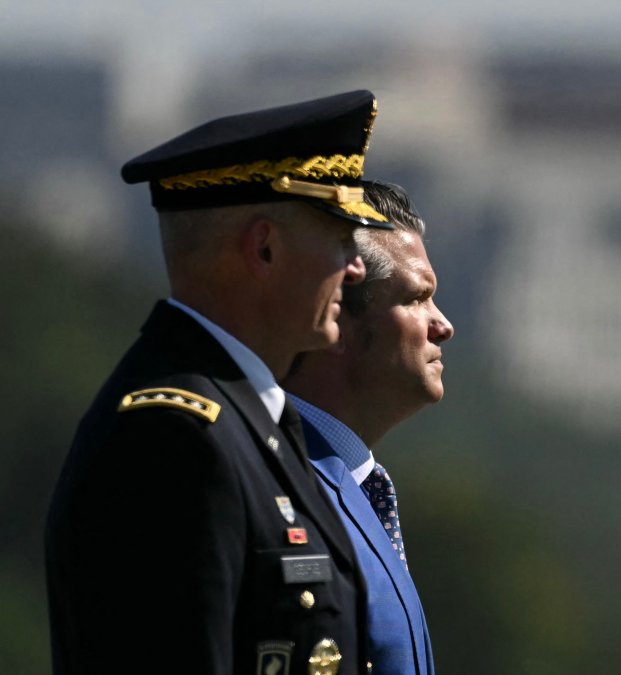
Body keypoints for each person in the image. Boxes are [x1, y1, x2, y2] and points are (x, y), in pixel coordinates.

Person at [45, 90, 394, 675]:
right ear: (264, 247)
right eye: (339, 238)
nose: (354, 267)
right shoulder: (173, 439)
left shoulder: (246, 422)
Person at [280, 181, 454, 675]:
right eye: (417, 298)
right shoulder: (275, 482)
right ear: (337, 315)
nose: (442, 325)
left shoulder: (353, 485)